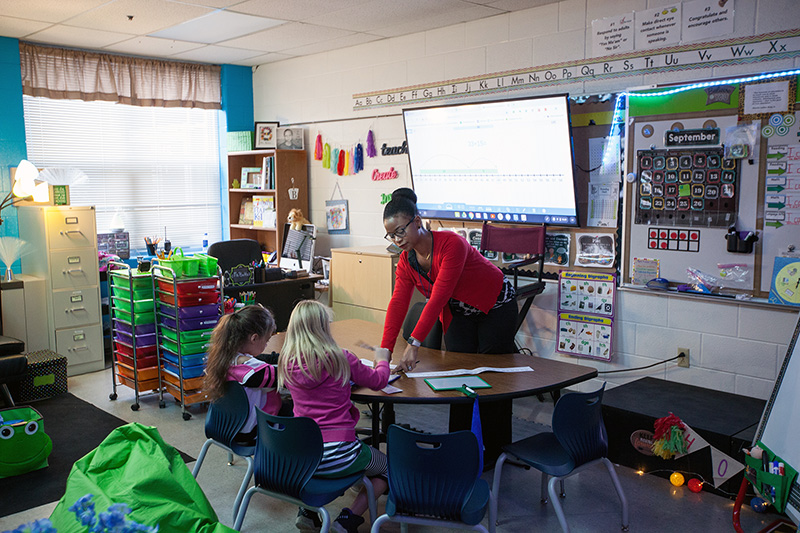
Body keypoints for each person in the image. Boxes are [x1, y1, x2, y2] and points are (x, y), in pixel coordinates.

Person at [380, 187, 518, 463]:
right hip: (460, 312)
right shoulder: (407, 261)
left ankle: (495, 450)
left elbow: (439, 295)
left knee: (493, 378)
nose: (397, 240)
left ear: (417, 222)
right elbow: (398, 302)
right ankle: (460, 446)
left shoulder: (451, 244)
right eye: (391, 234)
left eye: (400, 232)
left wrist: (414, 344)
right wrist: (384, 351)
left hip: (495, 307)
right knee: (459, 375)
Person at [277, 300, 390, 533]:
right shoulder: (341, 358)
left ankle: (308, 513)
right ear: (323, 327)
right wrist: (382, 359)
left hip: (303, 456)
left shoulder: (286, 361)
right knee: (388, 469)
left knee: (325, 468)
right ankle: (347, 520)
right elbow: (379, 381)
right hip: (340, 452)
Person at [204, 305, 282, 444]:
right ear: (254, 338)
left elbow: (260, 359)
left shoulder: (223, 358)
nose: (266, 344)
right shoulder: (255, 373)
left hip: (223, 427)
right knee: (294, 409)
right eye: (267, 340)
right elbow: (287, 376)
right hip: (251, 433)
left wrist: (279, 358)